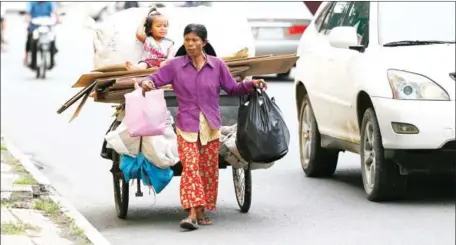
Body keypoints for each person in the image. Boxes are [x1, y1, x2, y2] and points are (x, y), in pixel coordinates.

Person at [139, 23, 267, 231]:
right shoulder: (175, 65)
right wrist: (147, 82)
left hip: (211, 126)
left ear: (203, 43)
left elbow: (232, 88)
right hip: (186, 125)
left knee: (208, 170)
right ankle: (191, 214)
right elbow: (155, 78)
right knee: (190, 168)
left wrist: (251, 85)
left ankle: (201, 210)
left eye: (194, 40)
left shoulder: (217, 65)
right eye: (187, 40)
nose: (190, 44)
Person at [24, 1, 59, 69]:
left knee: (52, 38)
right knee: (30, 37)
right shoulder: (31, 2)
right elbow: (27, 13)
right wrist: (27, 19)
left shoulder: (50, 2)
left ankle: (52, 57)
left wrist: (57, 19)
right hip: (34, 25)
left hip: (47, 25)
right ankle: (27, 56)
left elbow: (55, 12)